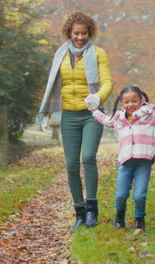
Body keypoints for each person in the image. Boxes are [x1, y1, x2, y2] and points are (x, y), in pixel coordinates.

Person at [37, 12, 113, 233]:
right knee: (71, 164)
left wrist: (98, 97)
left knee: (88, 157)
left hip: (92, 113)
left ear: (90, 33)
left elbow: (107, 81)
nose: (80, 37)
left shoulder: (98, 53)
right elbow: (53, 83)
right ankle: (79, 214)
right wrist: (48, 112)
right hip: (69, 115)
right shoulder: (60, 55)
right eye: (76, 33)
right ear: (69, 33)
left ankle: (92, 211)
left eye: (84, 33)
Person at [84, 86, 155, 231]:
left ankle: (139, 219)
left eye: (134, 101)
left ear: (141, 100)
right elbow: (105, 120)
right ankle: (119, 216)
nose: (130, 105)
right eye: (126, 102)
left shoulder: (150, 113)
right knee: (121, 194)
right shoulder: (118, 118)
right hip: (125, 162)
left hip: (144, 162)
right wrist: (93, 109)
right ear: (122, 103)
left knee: (139, 195)